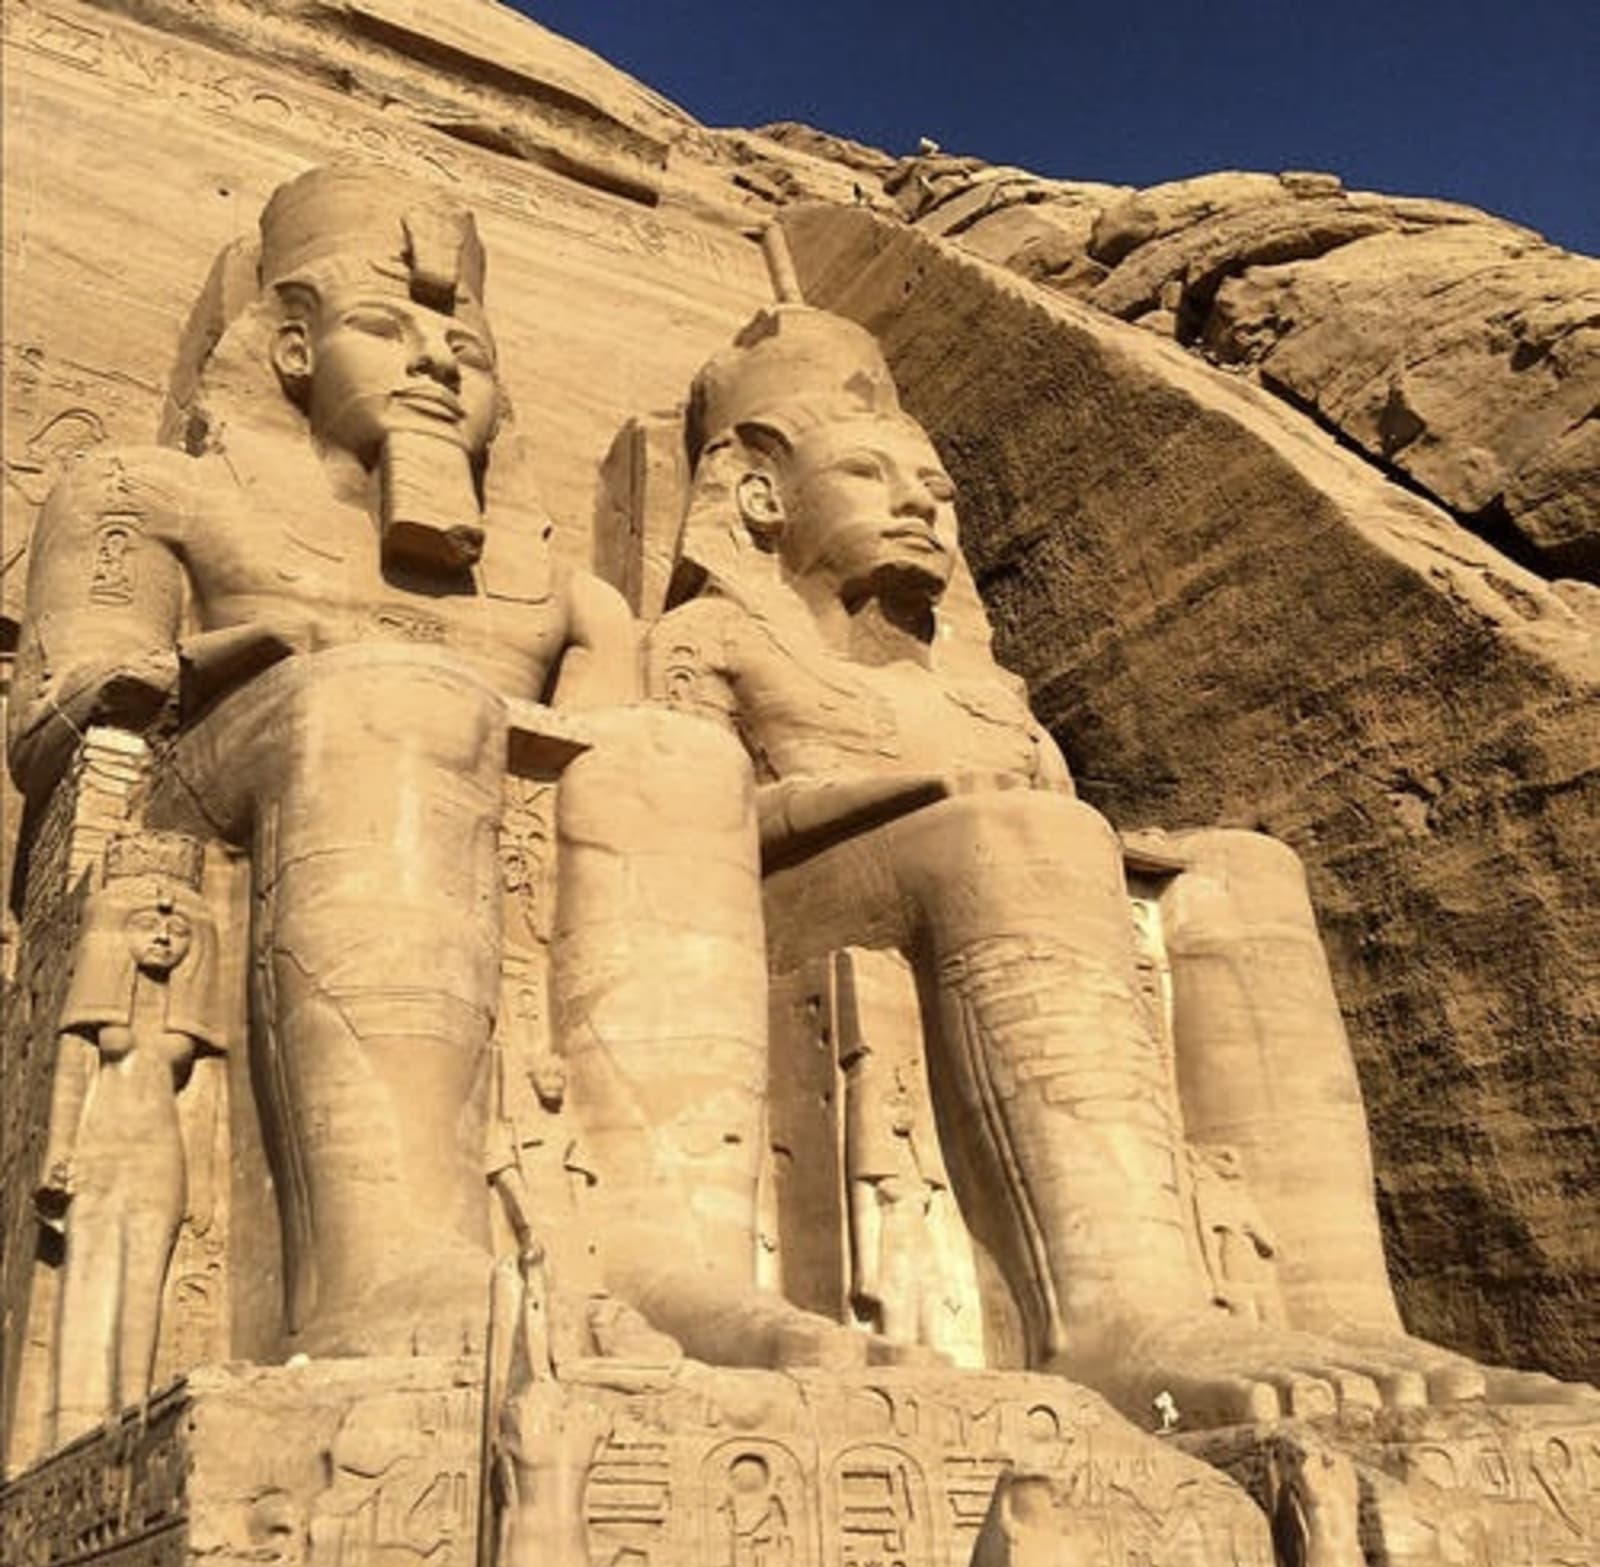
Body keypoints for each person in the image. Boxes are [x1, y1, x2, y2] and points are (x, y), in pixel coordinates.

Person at [638, 301, 1578, 1424]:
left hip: (988, 880)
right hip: (796, 905)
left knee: (1244, 873)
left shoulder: (987, 692)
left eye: (937, 490)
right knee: (1018, 838)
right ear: (760, 497)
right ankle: (1113, 1315)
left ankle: (1343, 1309)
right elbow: (688, 822)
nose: (920, 507)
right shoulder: (715, 639)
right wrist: (914, 794)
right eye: (867, 476)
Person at [9, 165, 636, 1358]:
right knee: (390, 694)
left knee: (678, 765)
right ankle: (382, 1270)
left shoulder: (567, 595)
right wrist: (227, 654)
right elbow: (54, 717)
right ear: (291, 349)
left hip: (459, 817)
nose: (438, 364)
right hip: (208, 798)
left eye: (467, 349)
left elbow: (611, 764)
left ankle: (658, 1267)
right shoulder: (152, 493)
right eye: (387, 328)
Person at [38, 835, 224, 1444]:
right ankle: (74, 1423)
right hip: (99, 1146)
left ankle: (133, 1411)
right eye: (148, 925)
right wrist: (58, 1153)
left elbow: (206, 1104)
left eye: (178, 931)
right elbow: (71, 1079)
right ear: (117, 932)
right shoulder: (96, 1015)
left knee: (147, 1277)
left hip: (160, 1151)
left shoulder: (187, 1025)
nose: (165, 937)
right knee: (87, 1276)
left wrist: (207, 1181)